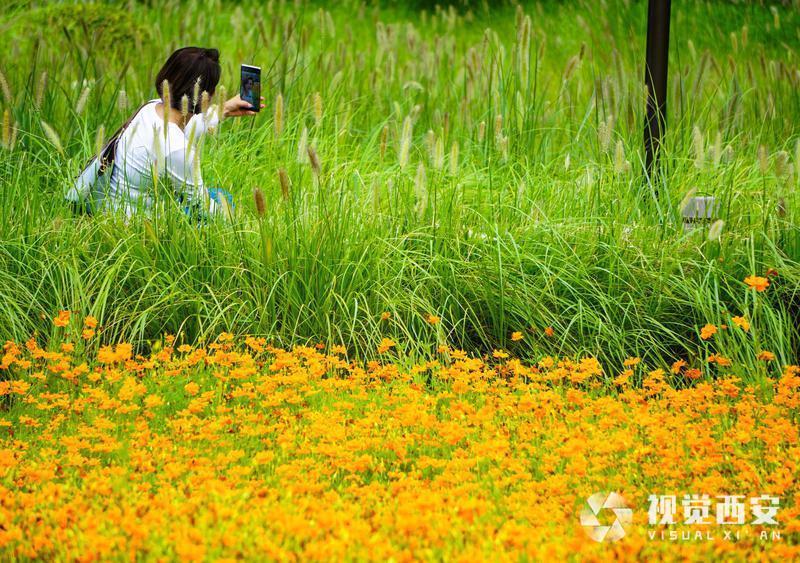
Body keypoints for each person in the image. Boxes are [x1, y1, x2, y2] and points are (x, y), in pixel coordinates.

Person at [86, 47, 264, 218]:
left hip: (110, 208)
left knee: (216, 195)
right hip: (140, 226)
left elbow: (188, 123)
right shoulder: (178, 149)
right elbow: (201, 208)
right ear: (207, 95)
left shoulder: (150, 108)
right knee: (222, 198)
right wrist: (239, 220)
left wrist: (224, 110)